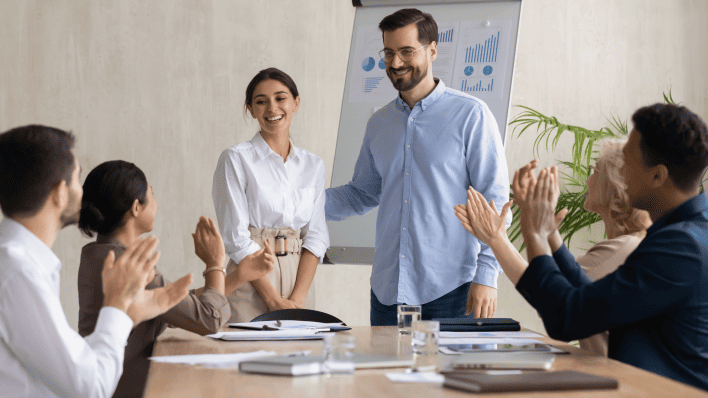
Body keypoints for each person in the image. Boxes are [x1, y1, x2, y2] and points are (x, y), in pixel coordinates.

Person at [463, 104, 708, 390]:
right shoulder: (686, 234)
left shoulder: (680, 250)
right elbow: (590, 301)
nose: (621, 172)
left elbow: (567, 319)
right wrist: (548, 235)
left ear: (658, 176)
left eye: (627, 162)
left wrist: (535, 233)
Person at [325, 8, 510, 325]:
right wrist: (294, 202)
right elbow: (362, 193)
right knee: (386, 375)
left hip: (453, 292)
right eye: (389, 52)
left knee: (452, 377)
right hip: (387, 294)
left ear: (433, 50)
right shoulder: (379, 123)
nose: (395, 63)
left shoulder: (471, 116)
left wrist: (488, 275)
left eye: (407, 51)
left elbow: (495, 200)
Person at [0, 125, 192, 397]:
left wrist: (128, 314)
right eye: (76, 179)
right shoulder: (18, 273)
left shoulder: (17, 262)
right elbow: (92, 388)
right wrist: (116, 305)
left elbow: (77, 369)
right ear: (60, 193)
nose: (82, 192)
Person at [77, 160, 274, 397]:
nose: (157, 202)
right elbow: (210, 319)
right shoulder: (127, 264)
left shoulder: (97, 254)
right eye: (152, 194)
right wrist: (214, 263)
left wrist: (239, 275)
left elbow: (169, 304)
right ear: (136, 207)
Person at [455, 139, 652, 356]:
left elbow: (549, 298)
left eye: (594, 170)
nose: (587, 180)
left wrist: (496, 239)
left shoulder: (617, 252)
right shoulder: (631, 244)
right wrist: (540, 223)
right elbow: (557, 281)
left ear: (614, 186)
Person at [212, 68, 330, 322]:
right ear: (251, 109)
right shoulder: (236, 158)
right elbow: (236, 238)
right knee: (249, 357)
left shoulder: (313, 165)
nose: (271, 108)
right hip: (253, 281)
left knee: (302, 359)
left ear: (296, 103)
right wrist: (273, 299)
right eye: (261, 101)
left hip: (300, 281)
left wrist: (297, 300)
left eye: (280, 98)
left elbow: (317, 236)